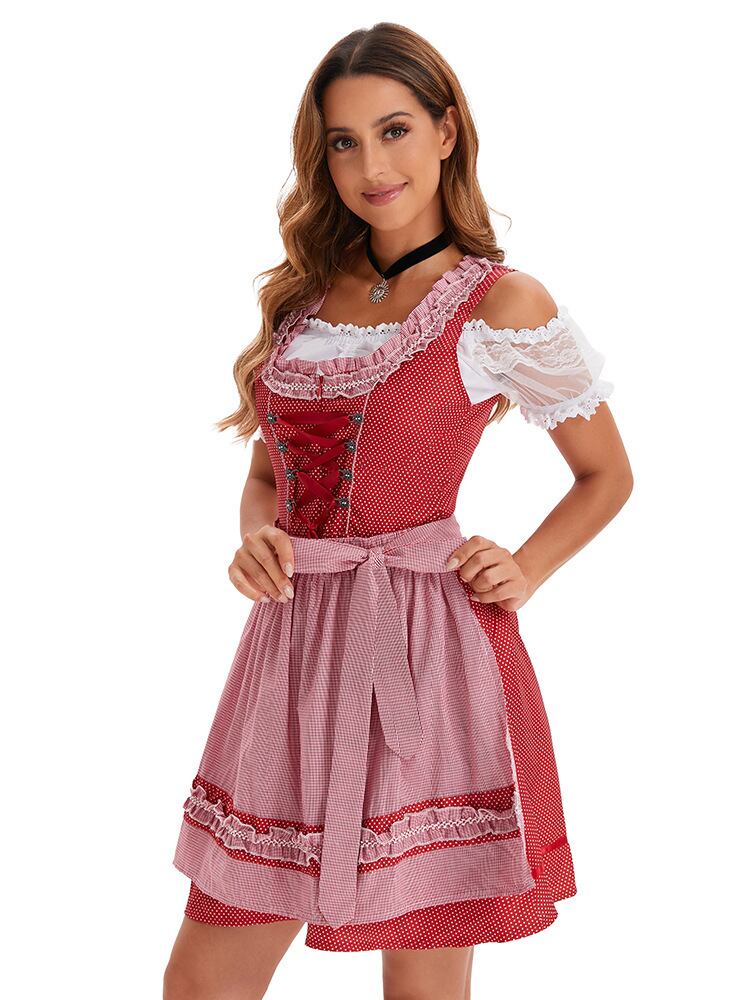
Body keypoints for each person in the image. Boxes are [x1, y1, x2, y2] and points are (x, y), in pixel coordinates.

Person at [164, 21, 633, 1000]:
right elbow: (268, 477)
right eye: (344, 141)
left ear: (446, 131)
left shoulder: (498, 304)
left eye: (395, 130)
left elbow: (605, 474)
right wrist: (257, 539)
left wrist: (529, 565)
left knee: (421, 987)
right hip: (291, 654)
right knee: (204, 980)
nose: (372, 166)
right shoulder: (305, 300)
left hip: (428, 651)